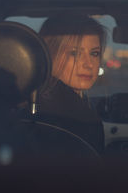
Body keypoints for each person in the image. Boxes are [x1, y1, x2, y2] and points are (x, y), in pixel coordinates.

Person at [36, 15, 107, 153]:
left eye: (94, 53)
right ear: (49, 53)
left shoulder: (27, 99)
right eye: (74, 53)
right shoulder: (82, 119)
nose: (88, 64)